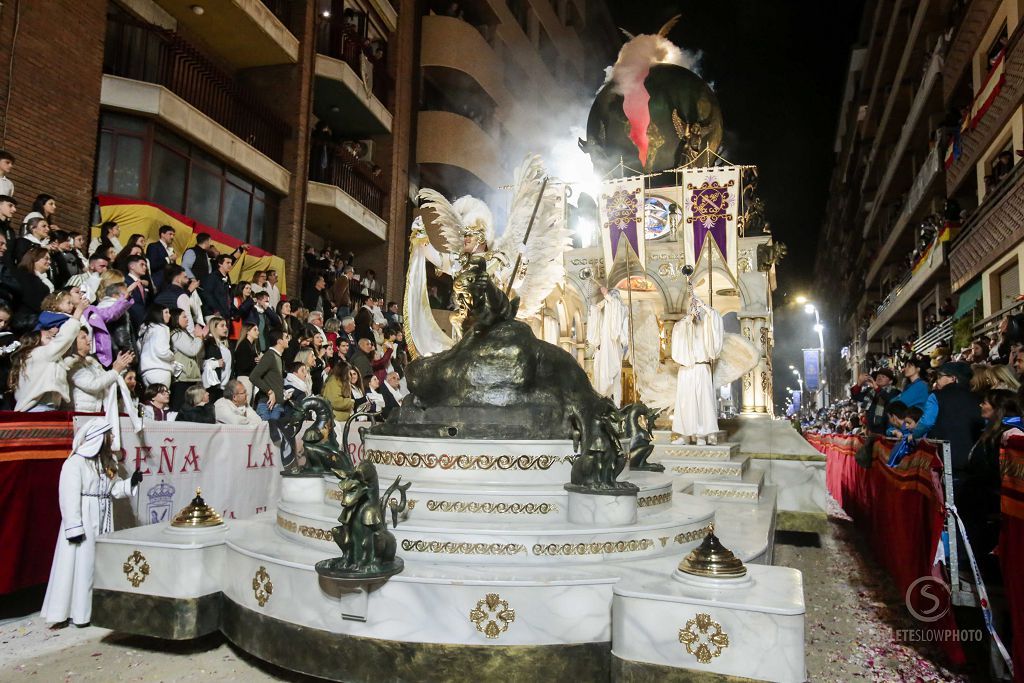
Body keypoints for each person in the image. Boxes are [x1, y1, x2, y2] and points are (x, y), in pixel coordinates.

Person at [40, 419, 142, 629]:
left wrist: (130, 482)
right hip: (85, 520)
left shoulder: (107, 463)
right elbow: (68, 497)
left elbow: (113, 489)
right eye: (110, 434)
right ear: (100, 438)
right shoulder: (75, 463)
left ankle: (95, 610)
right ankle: (74, 613)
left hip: (104, 519)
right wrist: (74, 526)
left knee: (99, 565)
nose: (113, 438)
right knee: (80, 565)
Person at [670, 293, 724, 441]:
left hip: (702, 368)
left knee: (703, 402)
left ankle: (701, 435)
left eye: (697, 306)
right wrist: (689, 318)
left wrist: (704, 306)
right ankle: (685, 435)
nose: (695, 309)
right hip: (686, 370)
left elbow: (715, 319)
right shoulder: (682, 325)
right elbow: (677, 337)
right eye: (692, 305)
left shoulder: (707, 324)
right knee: (685, 402)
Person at [11, 307, 85, 411]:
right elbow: (64, 338)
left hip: (43, 408)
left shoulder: (35, 356)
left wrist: (72, 361)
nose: (53, 339)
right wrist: (78, 313)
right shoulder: (39, 352)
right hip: (37, 409)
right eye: (48, 338)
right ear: (35, 341)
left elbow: (52, 370)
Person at [67, 328, 134, 413]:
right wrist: (115, 370)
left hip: (95, 414)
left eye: (87, 336)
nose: (89, 339)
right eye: (83, 337)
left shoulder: (91, 362)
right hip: (79, 415)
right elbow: (93, 385)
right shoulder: (70, 363)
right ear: (73, 342)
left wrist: (120, 366)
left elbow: (107, 380)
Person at [587, 286, 629, 406]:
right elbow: (595, 311)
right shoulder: (607, 306)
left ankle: (616, 405)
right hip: (602, 347)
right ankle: (602, 403)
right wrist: (595, 310)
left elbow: (616, 308)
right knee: (601, 374)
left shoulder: (621, 307)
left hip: (613, 346)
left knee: (614, 375)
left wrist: (607, 296)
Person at [169, 308, 206, 411]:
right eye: (184, 317)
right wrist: (198, 337)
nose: (187, 319)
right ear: (176, 318)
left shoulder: (184, 334)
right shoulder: (177, 334)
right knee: (180, 407)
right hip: (182, 377)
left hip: (189, 377)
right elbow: (192, 350)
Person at [250, 328, 289, 420]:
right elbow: (253, 377)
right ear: (279, 341)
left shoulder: (277, 356)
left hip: (275, 406)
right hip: (267, 406)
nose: (288, 340)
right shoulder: (270, 356)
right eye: (286, 337)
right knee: (267, 433)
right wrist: (270, 392)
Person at [137, 305, 175, 388]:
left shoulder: (145, 330)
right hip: (160, 370)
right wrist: (172, 356)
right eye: (166, 312)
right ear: (158, 314)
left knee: (152, 399)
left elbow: (139, 349)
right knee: (162, 398)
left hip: (145, 372)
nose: (169, 315)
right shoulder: (161, 328)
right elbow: (162, 352)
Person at [154, 265, 199, 333]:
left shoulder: (160, 293)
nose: (188, 280)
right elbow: (187, 318)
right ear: (178, 279)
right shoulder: (181, 295)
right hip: (177, 332)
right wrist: (192, 336)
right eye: (185, 277)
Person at [202, 315, 232, 403]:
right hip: (213, 387)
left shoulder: (225, 345)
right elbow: (200, 362)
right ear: (214, 328)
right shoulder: (209, 343)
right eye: (222, 326)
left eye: (226, 326)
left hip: (224, 388)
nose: (225, 328)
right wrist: (215, 364)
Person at [200, 254, 235, 318]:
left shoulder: (227, 279)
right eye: (228, 263)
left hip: (224, 314)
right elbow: (207, 294)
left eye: (231, 263)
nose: (230, 265)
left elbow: (229, 296)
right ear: (220, 264)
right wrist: (216, 310)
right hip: (214, 314)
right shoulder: (212, 277)